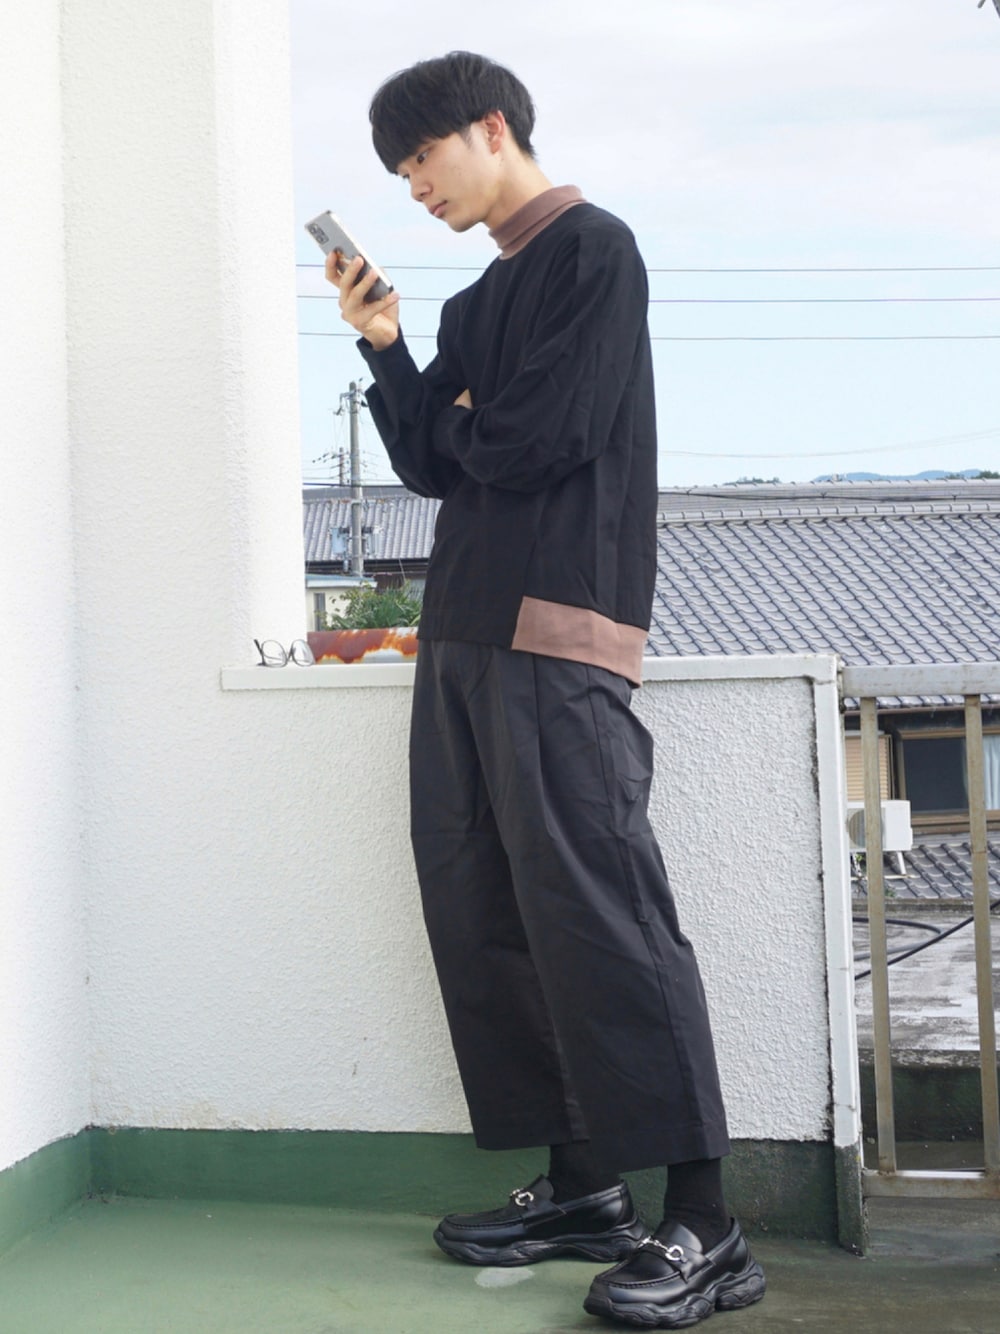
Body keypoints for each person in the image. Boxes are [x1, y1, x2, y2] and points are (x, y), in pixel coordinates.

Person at [326, 51, 766, 1330]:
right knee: (487, 909)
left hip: (559, 625)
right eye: (398, 174)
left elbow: (537, 439)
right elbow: (433, 461)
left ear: (490, 127)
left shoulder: (593, 252)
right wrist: (391, 347)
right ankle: (586, 1190)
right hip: (462, 625)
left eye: (422, 158)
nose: (415, 187)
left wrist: (468, 421)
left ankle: (707, 1220)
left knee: (601, 908)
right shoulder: (472, 302)